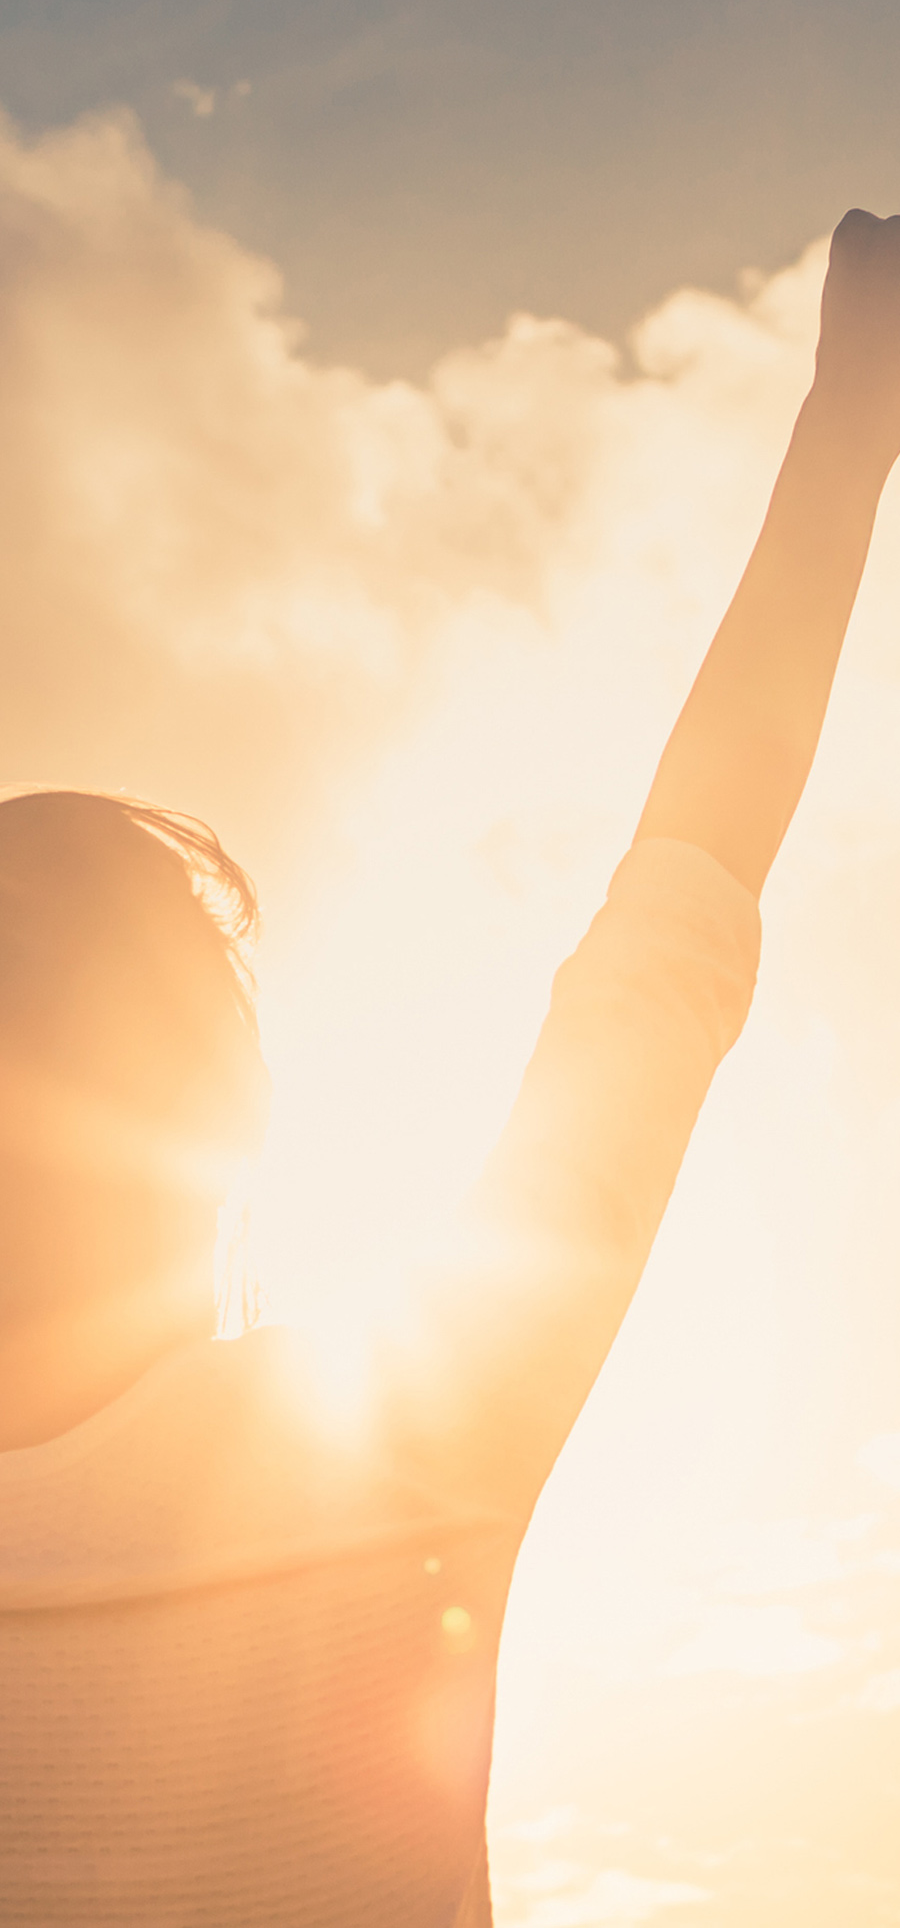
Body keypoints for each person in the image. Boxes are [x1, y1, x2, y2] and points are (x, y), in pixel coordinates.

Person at [1, 210, 899, 1927]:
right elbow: (676, 916)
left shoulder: (392, 1441)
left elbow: (671, 929)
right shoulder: (395, 1441)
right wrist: (848, 426)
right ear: (225, 1116)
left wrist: (854, 427)